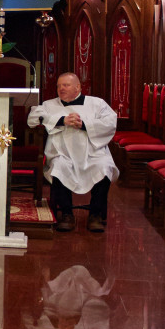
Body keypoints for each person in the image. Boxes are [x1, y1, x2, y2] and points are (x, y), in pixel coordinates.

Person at [27, 72, 118, 233]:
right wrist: (62, 120)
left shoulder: (97, 103)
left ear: (78, 87)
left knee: (104, 167)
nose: (61, 89)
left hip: (92, 154)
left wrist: (84, 124)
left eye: (66, 85)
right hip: (63, 154)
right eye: (58, 86)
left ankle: (95, 215)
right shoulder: (49, 105)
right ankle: (67, 214)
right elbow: (33, 118)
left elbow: (110, 123)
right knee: (59, 167)